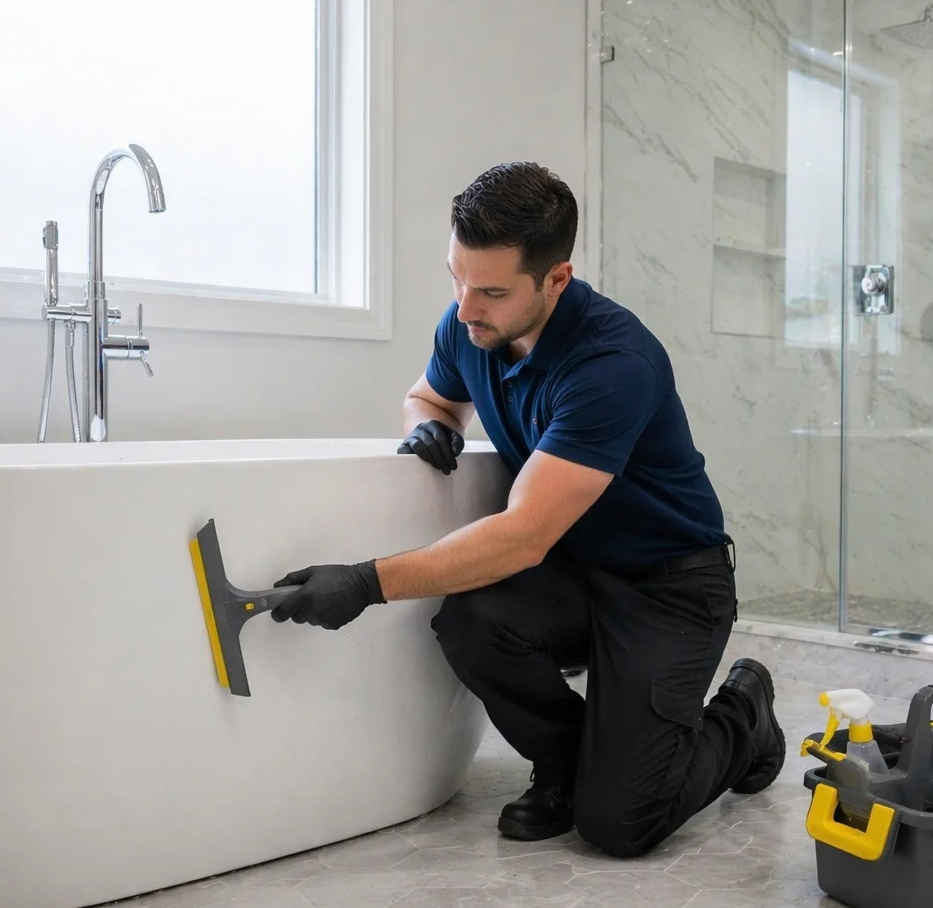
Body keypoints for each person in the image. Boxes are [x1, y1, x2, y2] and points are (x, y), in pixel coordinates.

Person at [267, 162, 785, 858]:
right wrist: (432, 424)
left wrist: (364, 583)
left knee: (622, 822)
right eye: (455, 278)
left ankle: (745, 713)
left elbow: (522, 537)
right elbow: (431, 396)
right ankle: (570, 762)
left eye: (489, 290)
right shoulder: (469, 326)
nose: (465, 305)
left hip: (669, 587)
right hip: (576, 573)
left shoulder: (612, 363)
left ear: (556, 279)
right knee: (470, 620)